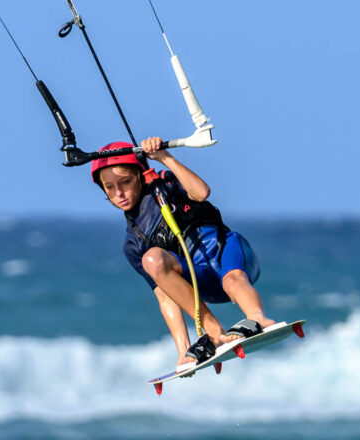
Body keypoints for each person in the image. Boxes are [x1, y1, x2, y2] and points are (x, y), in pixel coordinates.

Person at [92, 137, 276, 370]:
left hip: (227, 253)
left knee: (232, 280)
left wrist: (163, 157)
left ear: (139, 175)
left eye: (125, 182)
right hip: (201, 283)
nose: (119, 192)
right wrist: (182, 352)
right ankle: (214, 332)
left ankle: (258, 318)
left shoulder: (166, 185)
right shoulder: (132, 245)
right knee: (152, 259)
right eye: (110, 187)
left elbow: (201, 192)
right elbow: (166, 297)